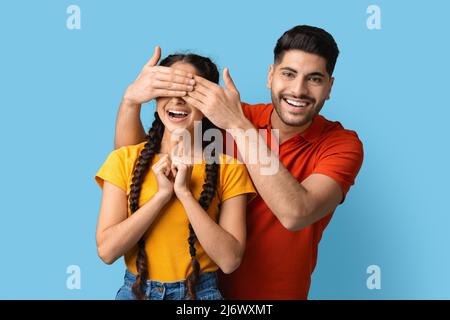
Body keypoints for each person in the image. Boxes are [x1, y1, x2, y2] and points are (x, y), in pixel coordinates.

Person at [114, 25, 364, 299]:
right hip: (198, 292)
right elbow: (136, 167)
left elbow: (295, 213)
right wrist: (130, 101)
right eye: (288, 74)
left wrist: (235, 124)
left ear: (329, 87)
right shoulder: (223, 119)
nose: (298, 89)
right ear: (271, 76)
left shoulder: (340, 144)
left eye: (315, 79)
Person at [94, 53, 256, 300]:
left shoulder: (229, 168)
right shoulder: (123, 159)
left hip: (200, 294)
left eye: (190, 92)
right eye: (168, 88)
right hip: (135, 291)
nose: (178, 99)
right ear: (156, 96)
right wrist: (161, 196)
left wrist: (184, 194)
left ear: (208, 104)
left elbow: (230, 260)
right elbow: (107, 251)